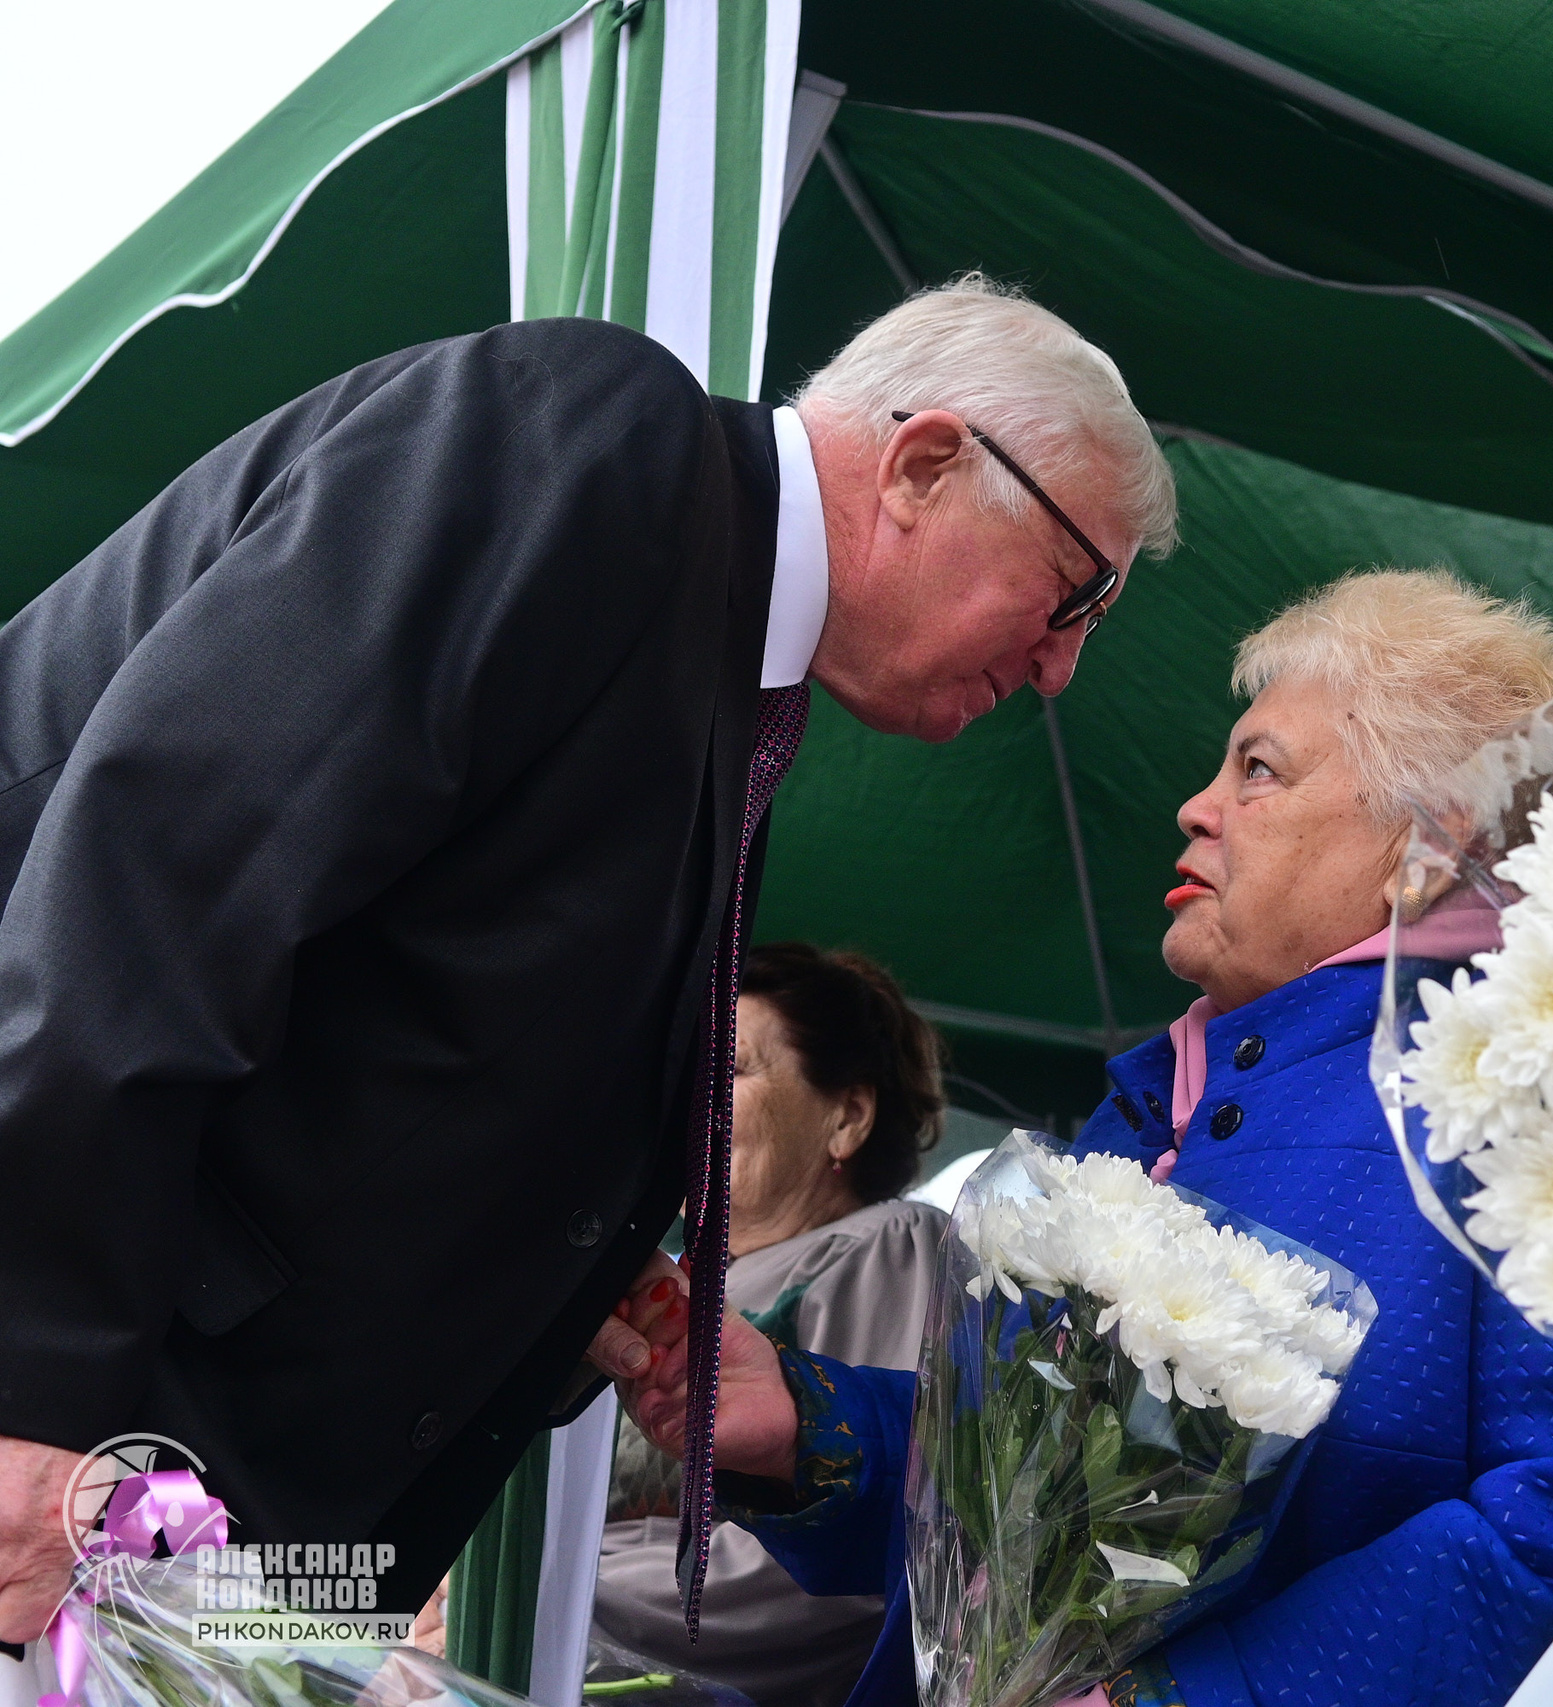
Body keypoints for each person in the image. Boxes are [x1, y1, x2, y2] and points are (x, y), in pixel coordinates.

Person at [0, 275, 1177, 1637]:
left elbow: (391, 997)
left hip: (202, 1518)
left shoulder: (718, 637)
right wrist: (23, 1389)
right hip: (76, 1446)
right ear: (923, 463)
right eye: (1074, 592)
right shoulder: (599, 437)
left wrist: (564, 1264)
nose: (1061, 670)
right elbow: (161, 877)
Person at [603, 569, 1553, 1707]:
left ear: (1425, 853)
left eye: (1259, 770)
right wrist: (804, 1423)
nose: (1196, 807)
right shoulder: (1155, 1100)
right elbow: (1037, 1507)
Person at [592, 942, 949, 1707]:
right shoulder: (658, 1271)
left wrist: (532, 1604)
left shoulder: (884, 1247)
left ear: (847, 1117)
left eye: (733, 1069)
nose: (690, 1098)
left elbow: (847, 1558)